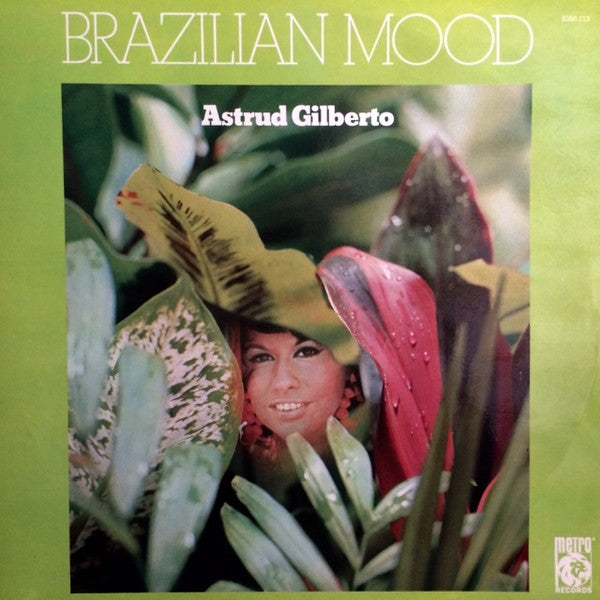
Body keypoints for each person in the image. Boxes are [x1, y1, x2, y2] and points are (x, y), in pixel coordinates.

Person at [234, 321, 366, 497]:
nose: (283, 382)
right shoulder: (224, 468)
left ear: (349, 363)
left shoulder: (385, 461)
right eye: (261, 357)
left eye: (306, 352)